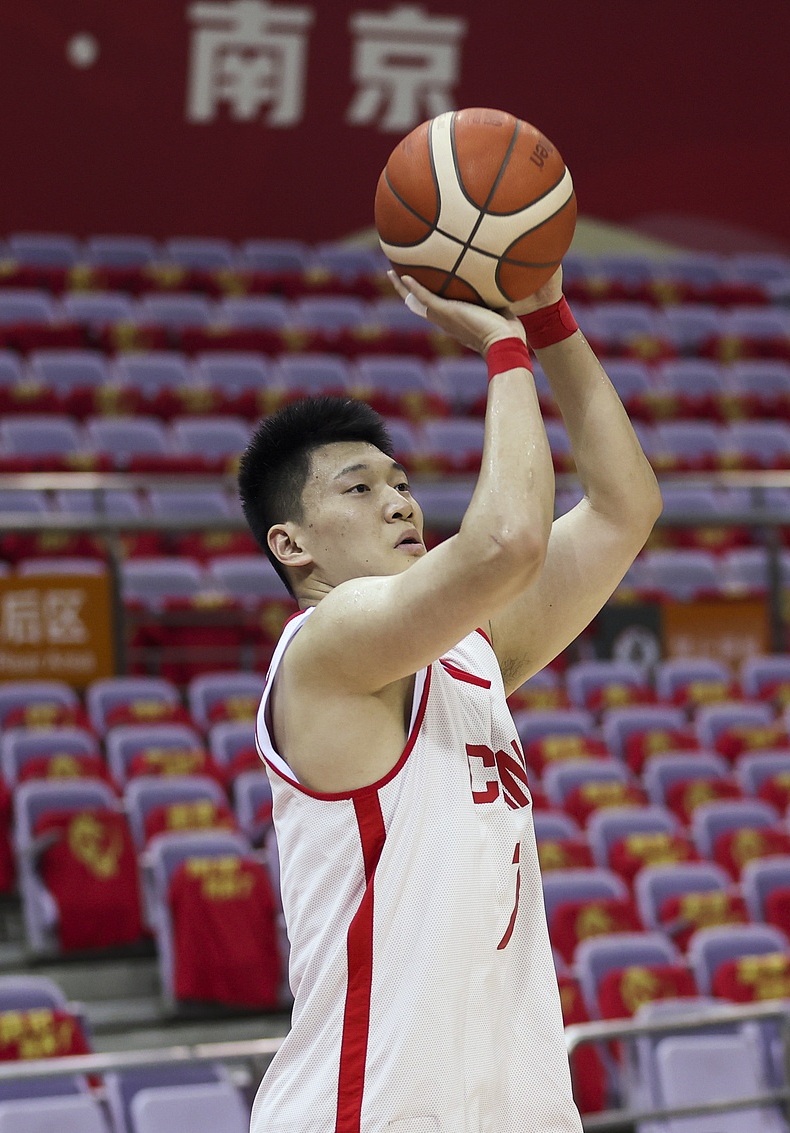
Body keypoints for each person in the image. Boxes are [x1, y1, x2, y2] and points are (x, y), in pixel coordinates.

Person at [237, 268, 661, 1133]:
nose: (399, 501)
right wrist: (504, 347)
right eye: (360, 488)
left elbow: (626, 509)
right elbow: (507, 540)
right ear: (292, 544)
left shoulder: (469, 650)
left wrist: (549, 316)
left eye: (399, 482)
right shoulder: (323, 647)